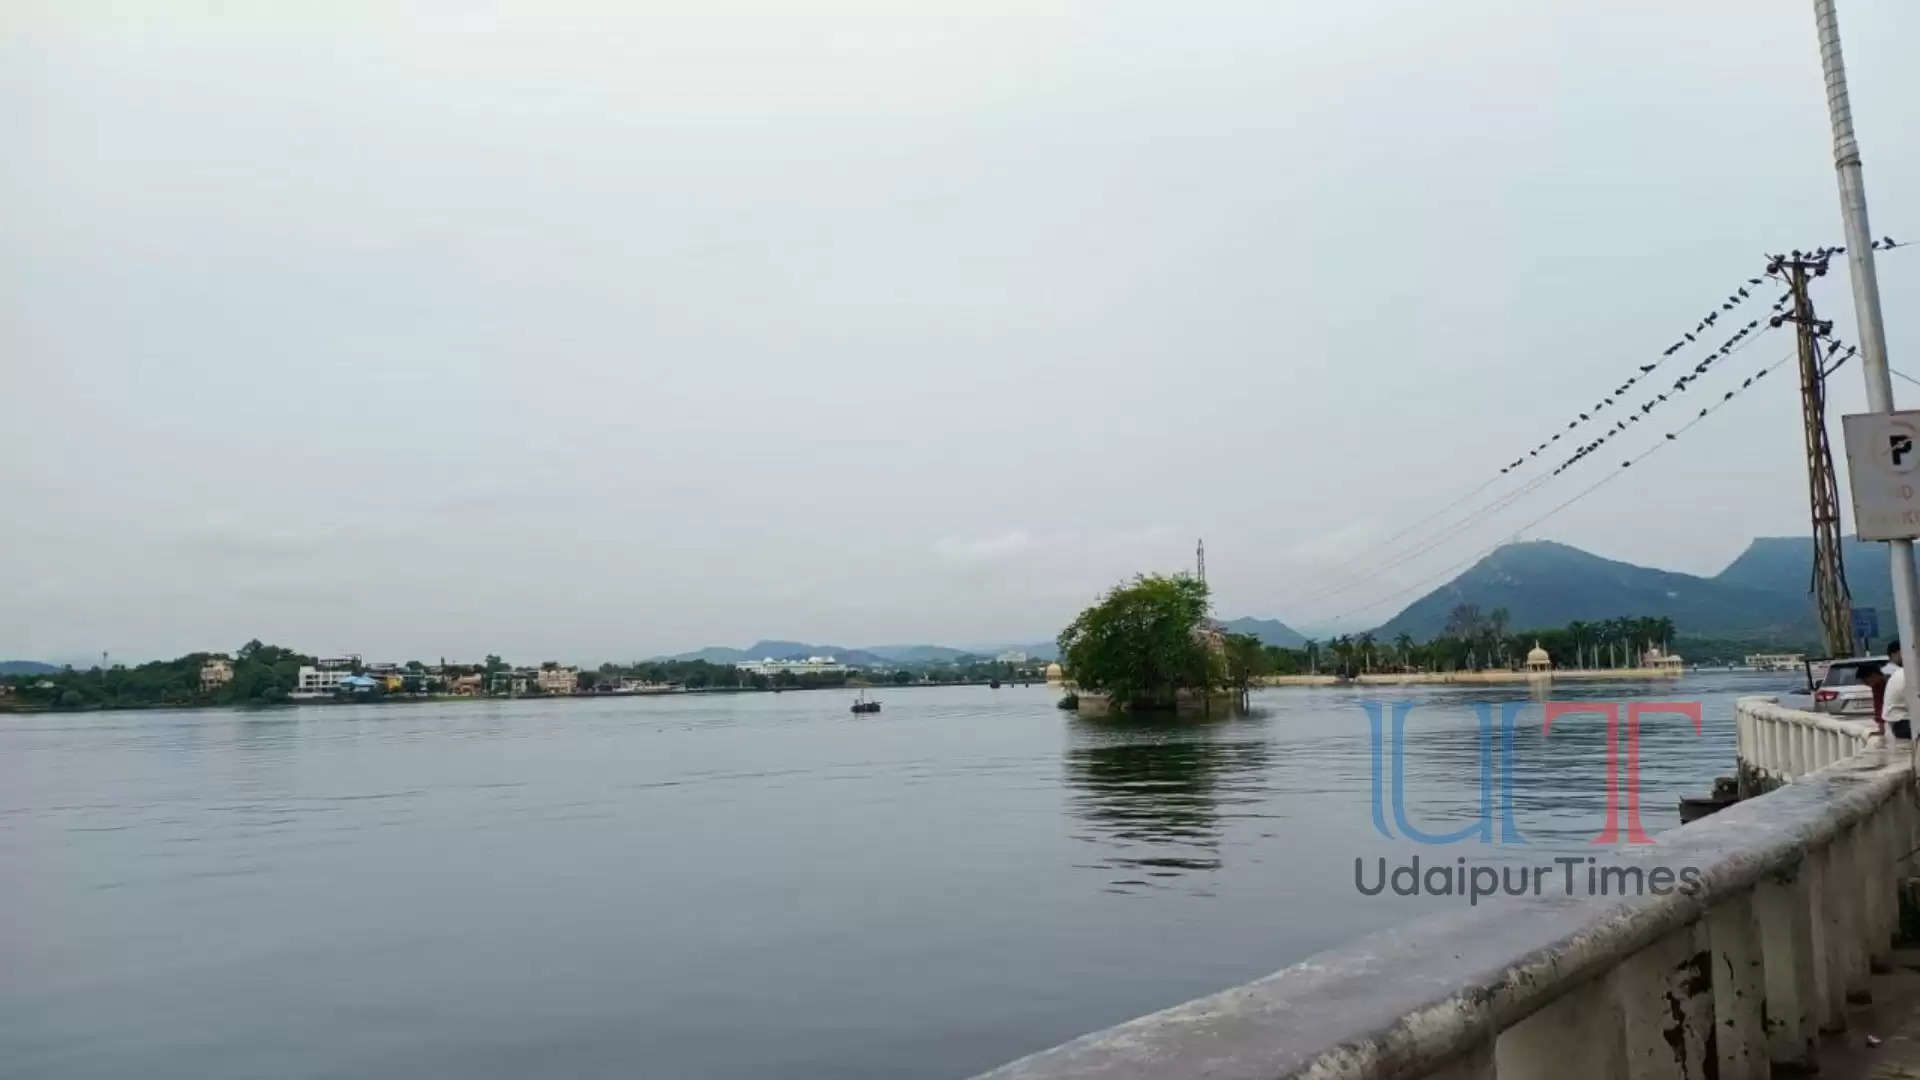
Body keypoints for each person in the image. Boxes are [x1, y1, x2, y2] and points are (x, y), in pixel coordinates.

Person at [1886, 640, 1910, 740]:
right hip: (1904, 722)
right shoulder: (1894, 672)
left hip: (1897, 721)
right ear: (1896, 653)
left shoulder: (1894, 671)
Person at [1862, 660, 1890, 735]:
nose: (1867, 685)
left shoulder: (1891, 681)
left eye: (1867, 682)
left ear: (1874, 675)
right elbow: (1878, 706)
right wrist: (1881, 729)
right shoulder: (1876, 686)